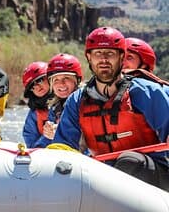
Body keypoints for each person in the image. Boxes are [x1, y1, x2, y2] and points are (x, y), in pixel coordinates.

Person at [49, 27, 169, 191]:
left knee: (130, 162)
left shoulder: (146, 92)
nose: (103, 59)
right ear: (89, 58)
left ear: (122, 57)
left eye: (110, 53)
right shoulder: (76, 101)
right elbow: (62, 148)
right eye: (98, 53)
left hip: (152, 175)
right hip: (103, 177)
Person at [22, 61, 53, 148]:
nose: (37, 87)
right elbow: (32, 147)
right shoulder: (33, 115)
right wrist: (47, 137)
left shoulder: (70, 102)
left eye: (39, 80)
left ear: (50, 78)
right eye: (32, 86)